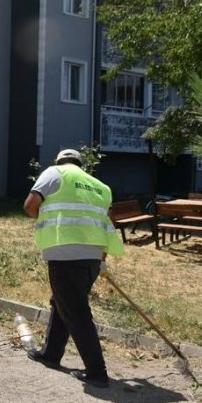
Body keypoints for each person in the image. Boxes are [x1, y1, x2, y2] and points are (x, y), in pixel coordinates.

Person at [23, 148, 124, 388]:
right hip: (93, 258)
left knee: (76, 312)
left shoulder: (54, 173)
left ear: (59, 161)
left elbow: (30, 205)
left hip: (65, 254)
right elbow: (106, 224)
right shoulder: (101, 187)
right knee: (63, 303)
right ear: (80, 164)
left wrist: (47, 221)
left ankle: (97, 372)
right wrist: (101, 260)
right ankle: (51, 354)